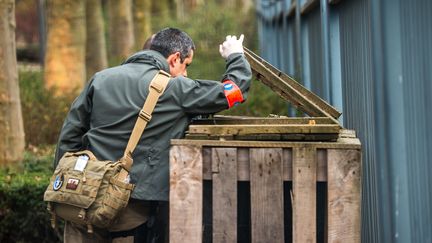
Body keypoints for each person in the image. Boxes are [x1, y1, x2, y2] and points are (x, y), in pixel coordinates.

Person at [55, 27, 252, 242]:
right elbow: (234, 91)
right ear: (175, 58)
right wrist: (235, 56)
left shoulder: (100, 79)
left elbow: (70, 136)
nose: (186, 73)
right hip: (128, 213)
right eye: (186, 65)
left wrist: (64, 185)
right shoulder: (175, 89)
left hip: (80, 202)